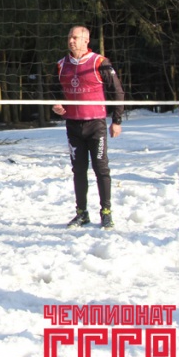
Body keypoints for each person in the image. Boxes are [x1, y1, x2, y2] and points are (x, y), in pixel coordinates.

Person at [52, 25, 124, 229]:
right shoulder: (61, 65)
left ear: (86, 40)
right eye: (69, 37)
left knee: (101, 168)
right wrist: (56, 105)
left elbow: (118, 92)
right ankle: (82, 213)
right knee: (78, 170)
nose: (71, 41)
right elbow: (54, 92)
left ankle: (106, 212)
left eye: (75, 37)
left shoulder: (100, 62)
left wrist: (117, 120)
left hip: (96, 124)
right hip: (73, 125)